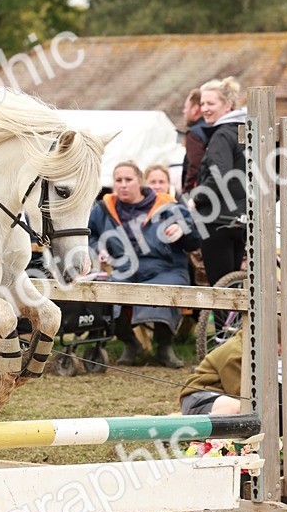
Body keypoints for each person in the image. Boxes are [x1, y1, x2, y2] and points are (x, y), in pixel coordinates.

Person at [89, 160, 200, 368]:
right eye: (118, 180)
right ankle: (131, 344)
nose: (123, 184)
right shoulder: (103, 208)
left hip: (166, 268)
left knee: (165, 289)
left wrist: (181, 229)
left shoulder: (168, 205)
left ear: (139, 181)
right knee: (106, 293)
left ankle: (164, 347)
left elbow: (194, 239)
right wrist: (98, 249)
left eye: (128, 179)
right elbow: (90, 235)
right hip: (125, 271)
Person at [188, 77, 247, 286]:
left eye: (210, 103)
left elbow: (219, 173)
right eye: (202, 103)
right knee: (233, 289)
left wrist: (197, 198)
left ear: (228, 105)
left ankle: (225, 320)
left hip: (216, 220)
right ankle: (234, 321)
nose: (204, 109)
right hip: (240, 220)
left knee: (220, 290)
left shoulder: (222, 134)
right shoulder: (246, 131)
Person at [179, 330, 242, 416]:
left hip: (219, 398)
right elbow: (240, 394)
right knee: (242, 408)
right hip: (197, 395)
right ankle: (197, 426)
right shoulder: (235, 351)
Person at [181, 89, 206, 195]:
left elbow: (194, 167)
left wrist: (186, 194)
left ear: (195, 109)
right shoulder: (217, 128)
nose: (184, 111)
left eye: (186, 107)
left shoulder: (195, 134)